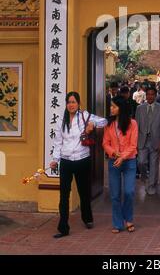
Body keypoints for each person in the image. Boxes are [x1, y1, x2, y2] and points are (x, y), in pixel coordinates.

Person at [50, 91, 107, 238]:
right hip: (66, 161)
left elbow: (104, 121)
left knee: (84, 192)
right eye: (69, 102)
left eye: (74, 102)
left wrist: (91, 126)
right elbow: (57, 143)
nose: (71, 105)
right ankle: (63, 227)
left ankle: (87, 218)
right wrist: (55, 160)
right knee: (64, 195)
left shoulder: (84, 116)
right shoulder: (60, 120)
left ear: (78, 103)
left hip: (82, 160)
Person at [103, 95, 138, 233]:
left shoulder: (132, 123)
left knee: (129, 191)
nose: (111, 109)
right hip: (114, 161)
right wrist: (113, 153)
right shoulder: (109, 124)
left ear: (121, 108)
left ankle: (128, 218)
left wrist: (122, 157)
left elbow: (133, 145)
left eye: (113, 106)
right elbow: (105, 143)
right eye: (111, 106)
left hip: (129, 161)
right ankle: (118, 223)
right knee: (115, 194)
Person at [136, 86, 160, 195]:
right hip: (142, 140)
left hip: (155, 140)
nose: (150, 96)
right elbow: (136, 125)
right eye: (148, 94)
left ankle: (151, 186)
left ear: (155, 95)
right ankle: (144, 178)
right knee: (141, 162)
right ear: (146, 95)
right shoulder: (139, 108)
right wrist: (135, 141)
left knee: (154, 164)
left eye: (152, 94)